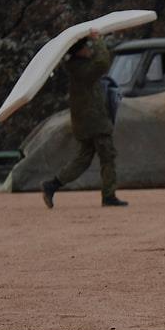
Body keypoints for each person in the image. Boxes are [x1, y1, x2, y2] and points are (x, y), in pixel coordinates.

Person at [41, 31, 126, 208]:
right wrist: (98, 41)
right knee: (108, 157)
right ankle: (109, 196)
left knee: (82, 160)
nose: (89, 49)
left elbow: (96, 60)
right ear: (79, 52)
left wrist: (93, 41)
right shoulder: (84, 70)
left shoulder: (77, 66)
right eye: (86, 47)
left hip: (85, 123)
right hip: (96, 122)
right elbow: (102, 63)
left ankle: (52, 185)